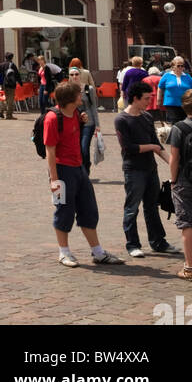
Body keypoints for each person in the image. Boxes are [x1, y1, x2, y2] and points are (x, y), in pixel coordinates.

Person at [45, 79, 124, 268]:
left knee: (88, 209)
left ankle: (98, 252)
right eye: (79, 94)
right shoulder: (53, 118)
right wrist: (54, 179)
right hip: (63, 170)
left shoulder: (76, 114)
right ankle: (64, 252)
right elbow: (50, 150)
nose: (82, 96)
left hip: (79, 168)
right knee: (64, 211)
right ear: (71, 98)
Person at [114, 82, 178, 258]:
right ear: (135, 98)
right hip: (134, 170)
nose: (149, 102)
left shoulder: (147, 117)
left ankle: (158, 242)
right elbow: (129, 148)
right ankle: (132, 244)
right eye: (146, 99)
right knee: (131, 208)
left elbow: (158, 147)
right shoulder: (121, 119)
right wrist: (151, 146)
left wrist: (174, 164)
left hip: (150, 169)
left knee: (152, 206)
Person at [168, 87, 192, 282]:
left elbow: (174, 158)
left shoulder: (179, 127)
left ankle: (189, 268)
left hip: (186, 181)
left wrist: (173, 181)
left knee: (188, 224)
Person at [158, 57, 192, 124]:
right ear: (173, 66)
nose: (180, 67)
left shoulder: (187, 76)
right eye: (178, 65)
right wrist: (158, 100)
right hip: (171, 104)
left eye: (182, 65)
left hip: (185, 105)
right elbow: (160, 87)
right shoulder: (166, 76)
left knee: (185, 124)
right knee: (174, 123)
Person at [0, 52, 21, 120]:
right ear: (12, 58)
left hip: (3, 84)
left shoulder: (1, 65)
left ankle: (1, 110)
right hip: (11, 84)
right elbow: (17, 75)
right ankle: (9, 115)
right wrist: (20, 83)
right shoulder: (12, 65)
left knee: (3, 98)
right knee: (10, 100)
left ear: (5, 57)